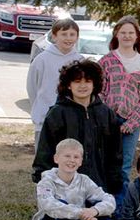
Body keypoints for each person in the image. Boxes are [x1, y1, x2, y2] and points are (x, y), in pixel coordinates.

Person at [33, 59, 124, 196]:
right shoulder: (57, 113)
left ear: (95, 84)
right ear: (68, 85)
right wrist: (42, 176)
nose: (82, 86)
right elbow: (46, 149)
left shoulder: (106, 114)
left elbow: (115, 152)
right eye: (77, 81)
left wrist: (114, 181)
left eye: (87, 81)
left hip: (98, 185)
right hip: (65, 186)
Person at [30, 139, 119, 220]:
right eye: (67, 156)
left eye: (76, 157)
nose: (71, 160)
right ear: (56, 158)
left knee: (100, 206)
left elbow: (109, 200)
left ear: (81, 161)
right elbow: (48, 206)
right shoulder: (46, 182)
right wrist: (81, 213)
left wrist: (93, 211)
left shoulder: (84, 180)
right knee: (59, 207)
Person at [99, 16, 140, 194]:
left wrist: (132, 123)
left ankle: (121, 205)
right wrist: (105, 118)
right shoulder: (107, 61)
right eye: (123, 32)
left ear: (137, 36)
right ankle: (101, 203)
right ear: (116, 34)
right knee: (104, 161)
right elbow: (99, 92)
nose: (127, 36)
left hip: (131, 121)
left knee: (124, 165)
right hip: (108, 119)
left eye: (131, 33)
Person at [28, 18, 82, 144]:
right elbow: (32, 87)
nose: (68, 38)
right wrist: (39, 108)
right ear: (54, 36)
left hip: (71, 120)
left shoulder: (80, 61)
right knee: (44, 159)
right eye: (64, 34)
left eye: (72, 34)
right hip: (45, 118)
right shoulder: (41, 60)